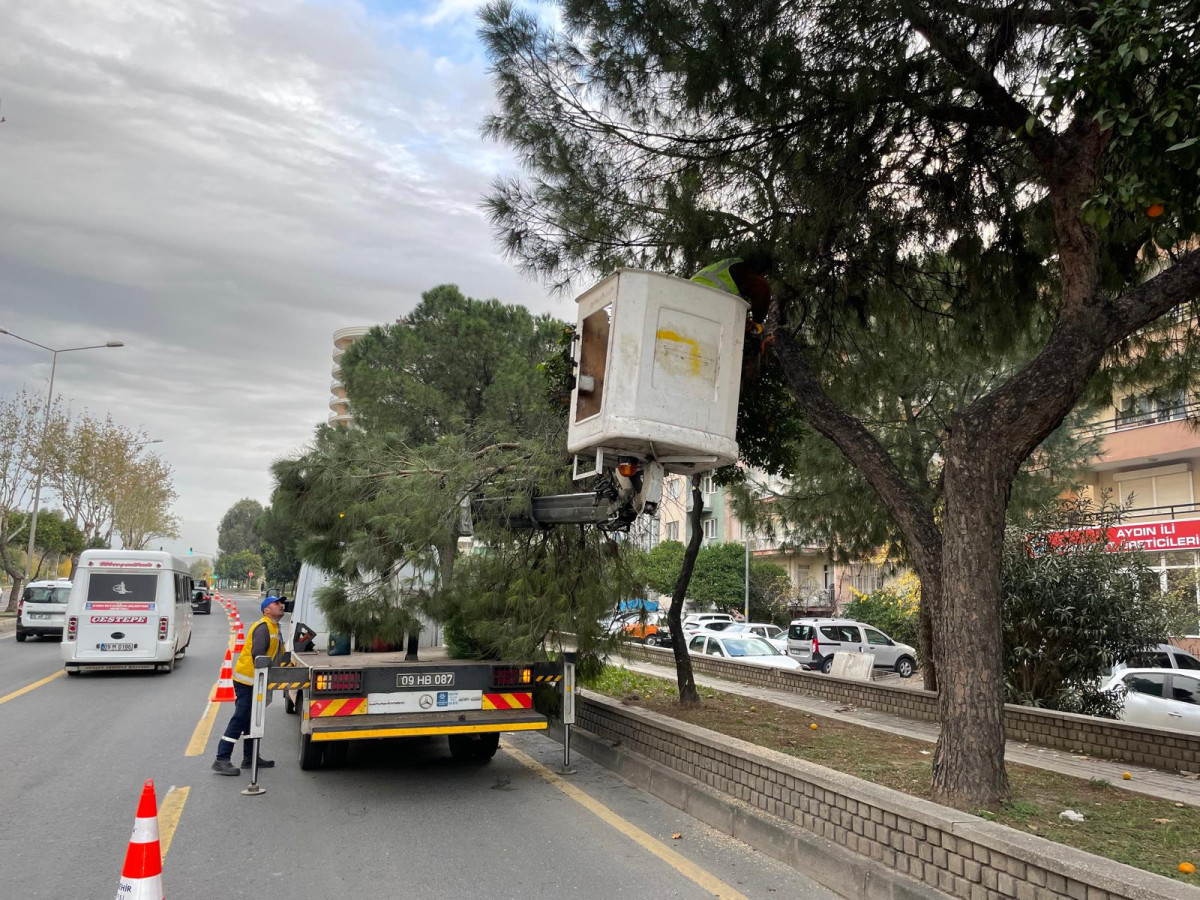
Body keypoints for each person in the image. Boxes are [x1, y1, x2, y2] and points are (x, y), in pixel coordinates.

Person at [212, 594, 286, 775]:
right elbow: (258, 655)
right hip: (248, 680)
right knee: (241, 718)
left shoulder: (275, 628)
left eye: (281, 603)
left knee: (253, 720)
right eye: (277, 603)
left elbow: (278, 655)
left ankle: (250, 757)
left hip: (257, 681)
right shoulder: (263, 627)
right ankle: (221, 758)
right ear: (266, 610)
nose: (281, 606)